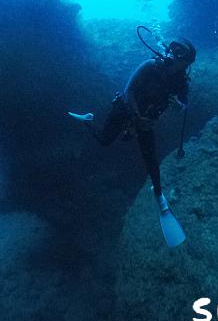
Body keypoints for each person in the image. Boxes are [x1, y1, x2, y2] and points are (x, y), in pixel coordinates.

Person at [68, 37, 196, 214]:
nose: (173, 55)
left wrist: (177, 106)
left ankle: (159, 195)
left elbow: (184, 106)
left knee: (151, 159)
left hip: (147, 119)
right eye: (172, 50)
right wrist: (137, 116)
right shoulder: (150, 66)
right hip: (126, 108)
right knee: (105, 140)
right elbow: (128, 90)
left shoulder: (182, 83)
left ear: (186, 63)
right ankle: (87, 121)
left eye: (179, 54)